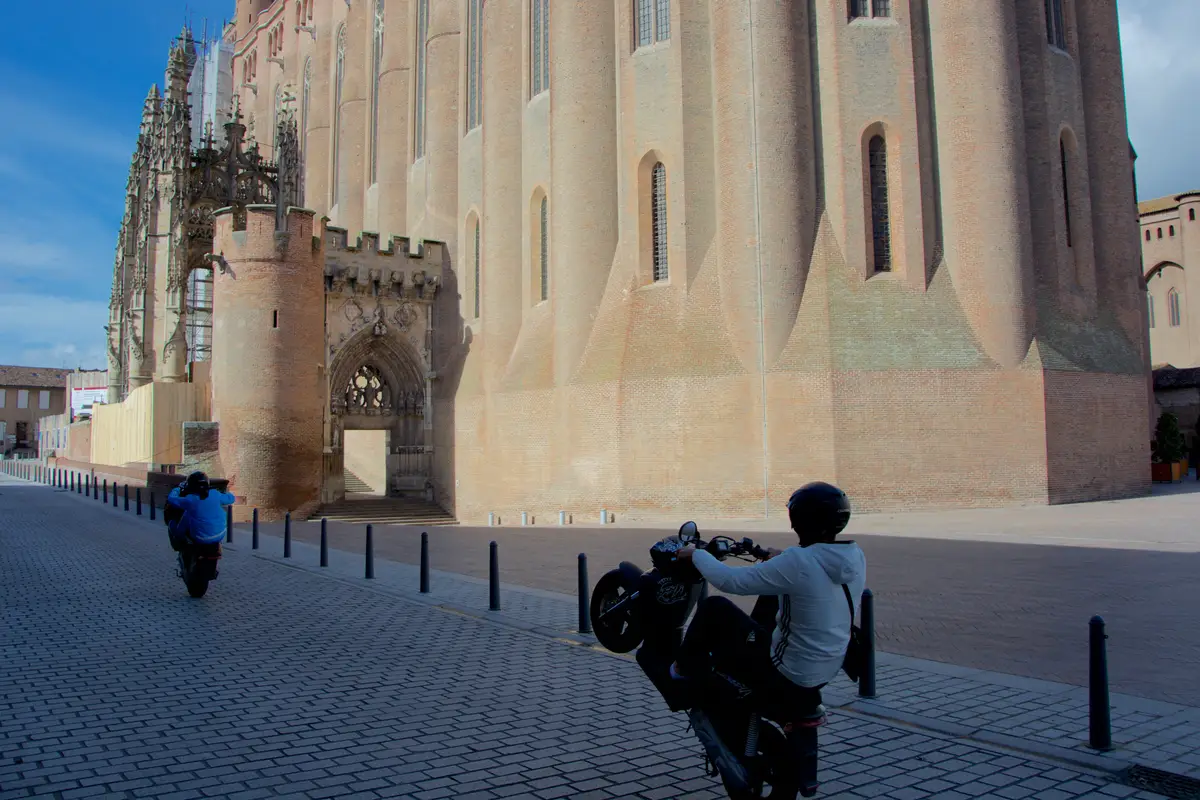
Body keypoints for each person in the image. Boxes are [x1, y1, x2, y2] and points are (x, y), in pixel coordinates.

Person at [671, 481, 867, 714]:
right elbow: (812, 571)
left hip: (788, 671)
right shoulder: (853, 556)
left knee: (715, 606)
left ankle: (680, 674)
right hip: (826, 668)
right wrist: (779, 557)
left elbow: (730, 581)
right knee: (773, 595)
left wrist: (697, 554)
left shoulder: (797, 563)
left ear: (798, 520)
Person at [165, 471, 236, 548]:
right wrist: (226, 492)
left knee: (174, 523)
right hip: (220, 535)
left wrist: (177, 489)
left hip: (199, 538)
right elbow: (231, 498)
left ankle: (179, 545)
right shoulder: (215, 494)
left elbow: (172, 499)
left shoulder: (190, 499)